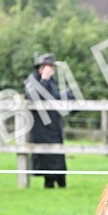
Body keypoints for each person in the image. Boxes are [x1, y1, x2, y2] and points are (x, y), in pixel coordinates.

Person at [24, 53, 70, 188]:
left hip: (54, 123)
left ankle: (62, 182)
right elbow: (34, 97)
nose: (51, 70)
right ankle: (48, 183)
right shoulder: (31, 81)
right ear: (41, 68)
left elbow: (54, 97)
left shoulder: (52, 81)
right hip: (40, 126)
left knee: (58, 153)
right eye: (48, 67)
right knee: (46, 155)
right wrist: (44, 79)